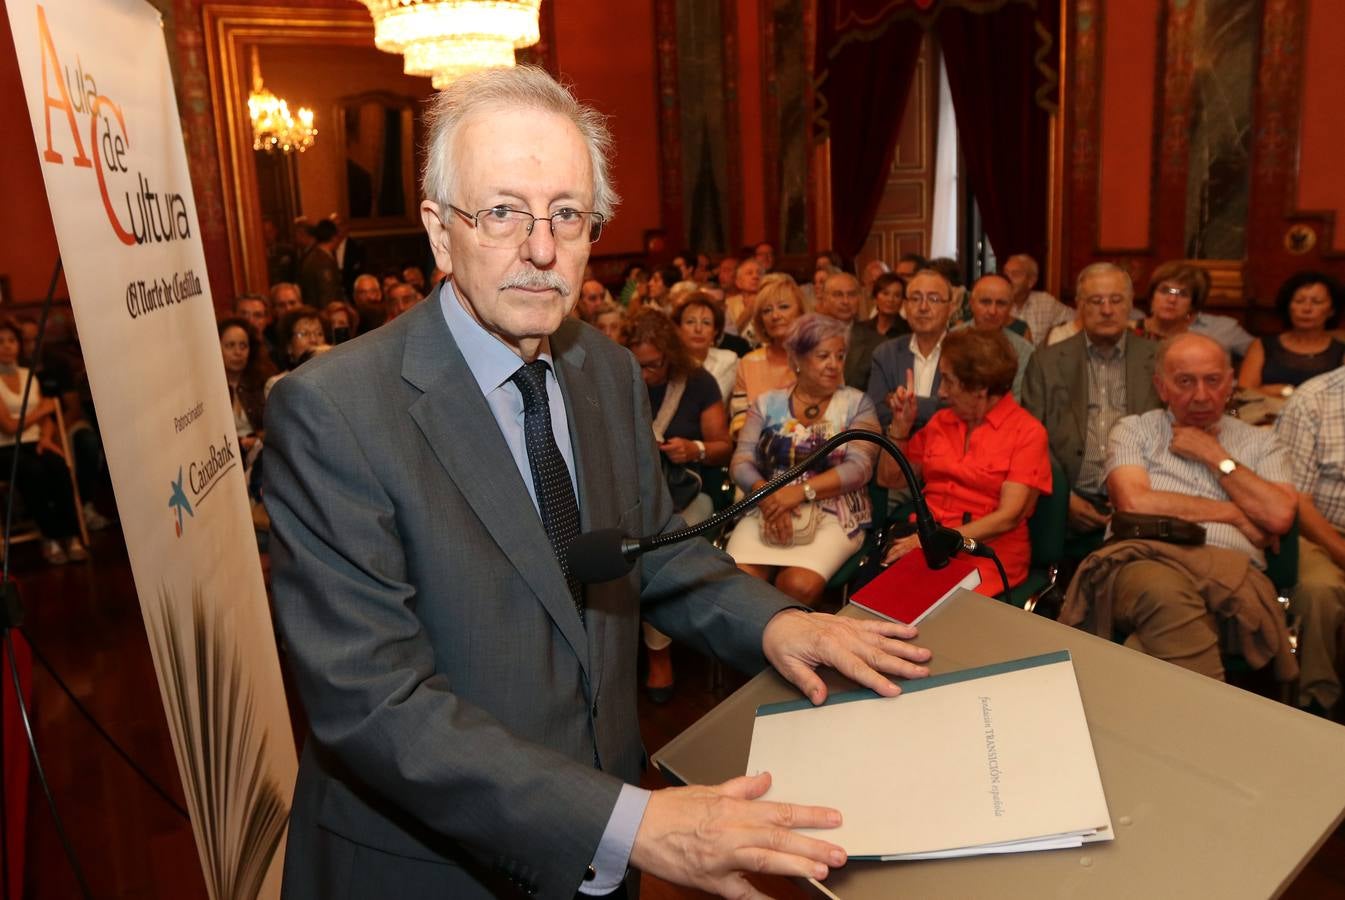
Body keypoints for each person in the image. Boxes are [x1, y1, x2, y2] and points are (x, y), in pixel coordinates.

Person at [264, 65, 931, 900]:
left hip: (598, 856)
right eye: (501, 211)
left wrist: (781, 627)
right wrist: (631, 823)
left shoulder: (604, 370)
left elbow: (652, 558)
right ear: (440, 232)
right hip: (432, 868)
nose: (540, 250)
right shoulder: (333, 411)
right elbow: (374, 705)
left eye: (567, 216)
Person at [1061, 333, 1298, 683]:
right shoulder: (1135, 430)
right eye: (1185, 381)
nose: (1201, 395)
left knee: (1144, 647)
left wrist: (1214, 456)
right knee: (1164, 592)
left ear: (1231, 383)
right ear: (1162, 386)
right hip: (1143, 562)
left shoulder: (1263, 443)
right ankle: (1211, 727)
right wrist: (1234, 513)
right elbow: (1135, 502)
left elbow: (1278, 514)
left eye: (1213, 380)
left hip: (1230, 579)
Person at [878, 329, 1052, 595]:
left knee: (925, 614)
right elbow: (890, 479)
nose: (941, 392)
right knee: (873, 601)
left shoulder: (1027, 433)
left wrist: (934, 541)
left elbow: (1008, 517)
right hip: (923, 541)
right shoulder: (941, 421)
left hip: (985, 555)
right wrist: (901, 428)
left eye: (948, 381)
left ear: (979, 388)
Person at [726, 314, 881, 605]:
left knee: (797, 585)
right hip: (767, 505)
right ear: (797, 359)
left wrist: (798, 493)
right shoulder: (766, 403)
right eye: (823, 356)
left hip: (836, 511)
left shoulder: (857, 404)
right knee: (739, 582)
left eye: (839, 355)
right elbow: (741, 461)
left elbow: (860, 468)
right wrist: (770, 497)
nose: (834, 364)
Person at [625, 309, 733, 702]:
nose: (645, 374)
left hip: (689, 491)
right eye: (637, 365)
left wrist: (694, 449)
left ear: (670, 356)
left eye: (653, 365)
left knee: (662, 554)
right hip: (635, 495)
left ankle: (659, 656)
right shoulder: (621, 379)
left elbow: (723, 448)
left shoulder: (698, 383)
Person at [1021, 262, 1163, 543]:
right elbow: (1031, 437)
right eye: (1096, 301)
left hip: (1144, 500)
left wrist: (1136, 495)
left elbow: (1174, 432)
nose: (1107, 310)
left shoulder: (1159, 359)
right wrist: (1064, 497)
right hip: (1068, 502)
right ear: (1079, 306)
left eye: (1116, 300)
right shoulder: (1046, 361)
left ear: (1130, 305)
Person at [1275, 364, 1345, 716]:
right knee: (1320, 590)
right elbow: (1297, 500)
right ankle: (1319, 703)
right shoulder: (1312, 401)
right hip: (1315, 529)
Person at [0, 317, 85, 564]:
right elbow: (8, 426)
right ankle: (49, 537)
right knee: (32, 471)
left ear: (18, 346)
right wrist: (41, 410)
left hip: (35, 441)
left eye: (11, 341)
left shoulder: (29, 376)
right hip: (5, 449)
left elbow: (48, 418)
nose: (6, 346)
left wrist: (47, 438)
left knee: (58, 466)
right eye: (1, 341)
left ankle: (71, 537)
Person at [867, 269, 956, 434]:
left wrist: (907, 406)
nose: (923, 307)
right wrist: (936, 405)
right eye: (915, 298)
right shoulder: (885, 354)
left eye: (934, 299)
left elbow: (959, 411)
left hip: (949, 452)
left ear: (950, 308)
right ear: (905, 306)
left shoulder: (964, 353)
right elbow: (877, 413)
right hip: (898, 452)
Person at [1239, 271, 1345, 397]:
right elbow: (1242, 392)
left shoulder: (1341, 351)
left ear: (1332, 310)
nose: (1306, 309)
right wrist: (1282, 391)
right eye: (1299, 301)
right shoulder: (1262, 345)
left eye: (1317, 302)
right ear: (1288, 306)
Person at [1132, 261, 1255, 357]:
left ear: (1192, 305)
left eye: (1182, 294)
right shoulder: (1126, 332)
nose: (1172, 299)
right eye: (1165, 291)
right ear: (1152, 296)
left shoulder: (1197, 344)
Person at [730, 273, 803, 432]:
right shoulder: (748, 363)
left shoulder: (821, 358)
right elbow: (739, 420)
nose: (775, 316)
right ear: (760, 320)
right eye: (767, 310)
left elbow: (836, 416)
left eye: (784, 307)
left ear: (801, 312)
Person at [956, 273, 1034, 400]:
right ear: (971, 303)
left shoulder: (1024, 351)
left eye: (1001, 304)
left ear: (1010, 308)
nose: (992, 311)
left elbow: (1019, 401)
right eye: (985, 302)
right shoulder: (952, 340)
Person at [818, 272, 888, 390]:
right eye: (838, 295)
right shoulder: (808, 339)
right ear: (823, 299)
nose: (845, 301)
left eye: (851, 295)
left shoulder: (878, 344)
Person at [672, 292, 738, 402]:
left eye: (706, 323)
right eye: (690, 322)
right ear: (678, 329)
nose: (698, 329)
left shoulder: (728, 361)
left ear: (715, 331)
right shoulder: (668, 363)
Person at [1003, 253, 1074, 346]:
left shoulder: (1045, 302)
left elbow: (1076, 320)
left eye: (1015, 274)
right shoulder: (995, 304)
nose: (1007, 279)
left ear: (1031, 281)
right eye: (1005, 273)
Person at [264, 306, 327, 397]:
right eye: (304, 334)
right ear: (289, 346)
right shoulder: (277, 384)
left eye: (319, 333)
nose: (314, 340)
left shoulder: (332, 375)